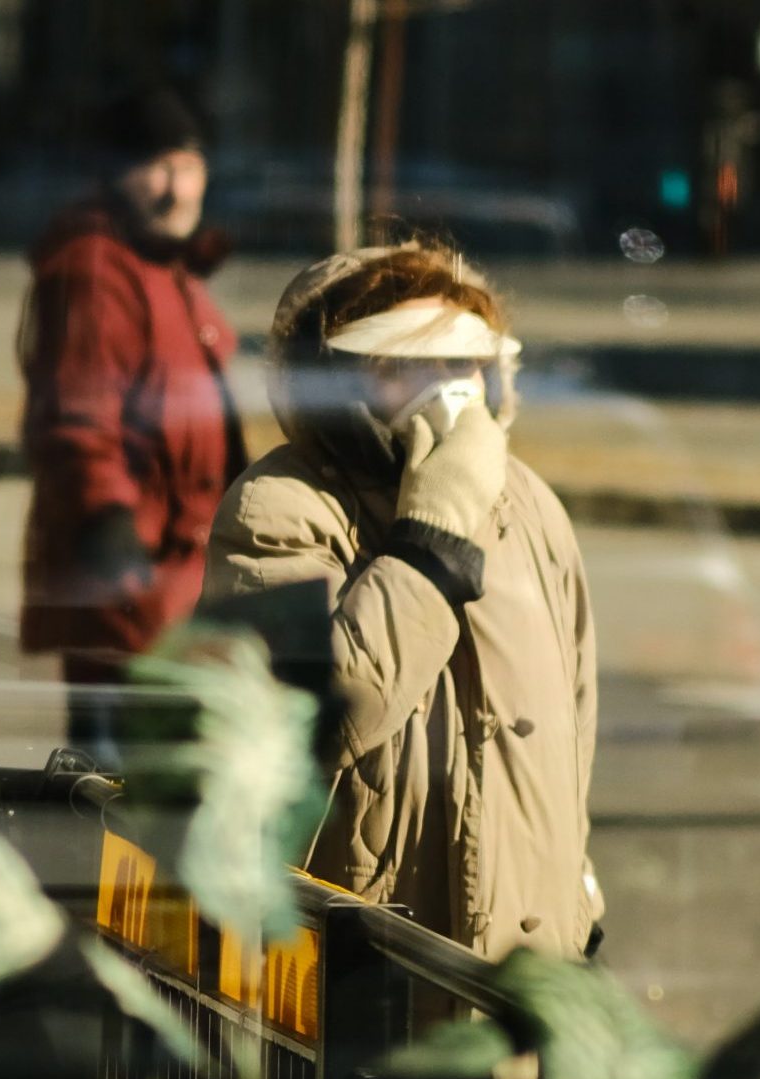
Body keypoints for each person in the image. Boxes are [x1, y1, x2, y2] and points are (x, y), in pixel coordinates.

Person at [200, 243, 604, 962]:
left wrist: (579, 907)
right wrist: (430, 542)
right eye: (404, 365)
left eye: (463, 362)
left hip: (523, 972)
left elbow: (573, 727)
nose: (447, 387)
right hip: (370, 971)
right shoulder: (277, 508)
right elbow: (308, 721)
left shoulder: (532, 508)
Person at [17, 85, 244, 765]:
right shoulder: (97, 267)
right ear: (115, 175)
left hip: (178, 593)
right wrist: (114, 542)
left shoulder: (165, 265)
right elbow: (79, 419)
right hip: (131, 598)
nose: (178, 190)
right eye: (157, 168)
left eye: (189, 166)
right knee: (122, 807)